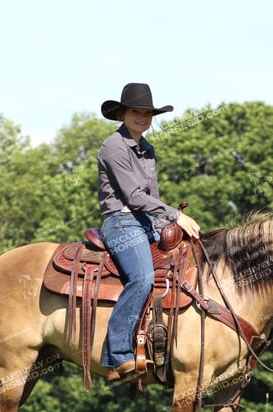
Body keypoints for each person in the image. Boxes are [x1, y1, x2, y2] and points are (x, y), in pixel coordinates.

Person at [97, 82, 201, 380]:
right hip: (122, 221)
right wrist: (176, 216)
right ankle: (118, 354)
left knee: (187, 263)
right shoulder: (113, 147)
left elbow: (152, 196)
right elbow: (133, 197)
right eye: (135, 112)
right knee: (142, 278)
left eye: (147, 113)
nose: (142, 117)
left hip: (146, 222)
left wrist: (165, 224)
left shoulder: (147, 149)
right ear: (123, 114)